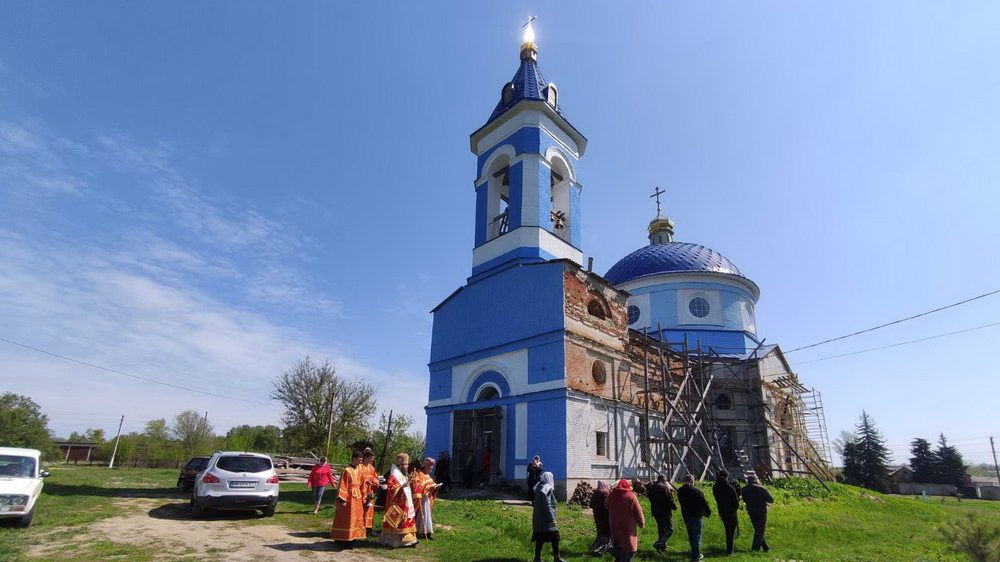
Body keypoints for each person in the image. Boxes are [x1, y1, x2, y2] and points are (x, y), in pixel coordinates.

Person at [381, 452, 418, 548]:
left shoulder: (405, 475)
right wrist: (401, 488)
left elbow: (409, 487)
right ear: (399, 465)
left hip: (406, 503)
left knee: (407, 521)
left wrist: (411, 482)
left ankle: (409, 541)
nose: (406, 466)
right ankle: (394, 542)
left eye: (406, 464)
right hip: (396, 504)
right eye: (403, 464)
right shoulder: (394, 476)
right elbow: (391, 489)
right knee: (398, 522)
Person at [330, 450, 366, 544]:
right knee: (347, 519)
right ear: (354, 458)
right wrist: (342, 499)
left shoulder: (359, 469)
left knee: (356, 519)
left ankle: (353, 538)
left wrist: (365, 495)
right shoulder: (347, 470)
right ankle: (342, 539)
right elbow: (343, 485)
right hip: (349, 498)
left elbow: (362, 484)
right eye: (359, 460)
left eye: (361, 460)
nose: (360, 462)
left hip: (357, 498)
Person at [605, 479, 645, 562]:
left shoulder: (612, 496)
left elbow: (606, 505)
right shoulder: (631, 496)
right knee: (628, 551)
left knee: (618, 551)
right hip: (627, 529)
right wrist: (641, 523)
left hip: (615, 529)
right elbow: (638, 511)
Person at [531, 472, 565, 562]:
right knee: (555, 537)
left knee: (540, 538)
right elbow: (547, 505)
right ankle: (556, 558)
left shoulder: (538, 486)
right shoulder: (546, 488)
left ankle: (537, 558)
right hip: (546, 520)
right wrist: (552, 519)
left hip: (538, 519)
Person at [677, 474, 711, 561]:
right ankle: (696, 556)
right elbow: (704, 503)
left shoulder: (680, 491)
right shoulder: (696, 491)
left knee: (691, 535)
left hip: (686, 515)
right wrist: (708, 513)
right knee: (697, 536)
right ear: (692, 481)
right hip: (696, 515)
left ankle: (694, 552)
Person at [740, 473, 774, 553]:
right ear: (755, 480)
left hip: (751, 511)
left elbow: (744, 500)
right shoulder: (762, 488)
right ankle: (755, 549)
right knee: (760, 530)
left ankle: (765, 548)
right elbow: (771, 500)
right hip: (761, 511)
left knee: (758, 530)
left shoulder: (744, 489)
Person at [712, 469, 740, 555]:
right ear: (726, 476)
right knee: (730, 532)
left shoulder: (715, 487)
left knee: (728, 530)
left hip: (722, 511)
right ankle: (730, 550)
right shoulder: (730, 487)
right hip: (731, 511)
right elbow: (736, 503)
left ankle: (729, 549)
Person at [412, 457, 439, 540]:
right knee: (421, 515)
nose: (431, 470)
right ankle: (419, 531)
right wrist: (428, 487)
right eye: (430, 468)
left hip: (428, 498)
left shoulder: (428, 475)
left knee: (427, 515)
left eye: (432, 468)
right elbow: (417, 486)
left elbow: (431, 484)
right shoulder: (419, 473)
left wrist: (435, 487)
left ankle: (427, 531)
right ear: (425, 466)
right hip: (421, 499)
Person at [648, 474, 676, 553]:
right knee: (670, 529)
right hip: (664, 511)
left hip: (656, 511)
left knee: (661, 529)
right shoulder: (664, 487)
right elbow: (669, 499)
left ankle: (662, 547)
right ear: (663, 480)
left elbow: (649, 497)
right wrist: (674, 506)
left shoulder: (652, 487)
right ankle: (658, 543)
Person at [360, 448, 379, 536]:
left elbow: (375, 477)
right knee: (361, 510)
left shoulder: (372, 468)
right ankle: (360, 528)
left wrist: (375, 482)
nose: (372, 460)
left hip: (370, 493)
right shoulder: (360, 467)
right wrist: (365, 481)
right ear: (366, 457)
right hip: (361, 493)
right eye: (371, 458)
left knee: (370, 511)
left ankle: (369, 529)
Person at [589, 480, 612, 554]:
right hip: (606, 516)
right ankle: (603, 549)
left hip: (597, 516)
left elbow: (591, 505)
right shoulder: (606, 493)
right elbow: (609, 505)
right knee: (607, 533)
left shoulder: (595, 493)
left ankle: (595, 547)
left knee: (600, 532)